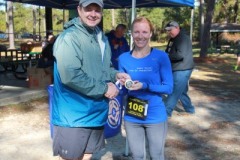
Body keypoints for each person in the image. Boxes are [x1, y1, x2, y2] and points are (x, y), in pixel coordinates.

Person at [52, 0, 130, 160]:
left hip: (96, 111)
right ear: (79, 10)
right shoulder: (69, 38)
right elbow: (70, 76)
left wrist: (115, 74)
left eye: (97, 10)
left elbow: (104, 68)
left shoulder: (100, 37)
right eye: (89, 9)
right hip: (74, 115)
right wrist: (104, 89)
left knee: (88, 154)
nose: (93, 14)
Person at [118, 17, 173, 160]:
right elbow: (122, 89)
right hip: (132, 115)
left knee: (157, 155)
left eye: (144, 32)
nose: (140, 36)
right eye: (136, 32)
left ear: (150, 34)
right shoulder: (123, 58)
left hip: (155, 116)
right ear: (131, 34)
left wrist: (145, 85)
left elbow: (168, 88)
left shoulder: (161, 56)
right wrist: (121, 84)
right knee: (137, 156)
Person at [164, 21, 195, 117]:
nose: (169, 32)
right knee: (181, 91)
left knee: (174, 90)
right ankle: (190, 109)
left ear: (177, 28)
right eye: (168, 31)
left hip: (182, 69)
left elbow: (180, 55)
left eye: (171, 30)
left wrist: (167, 56)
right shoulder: (173, 39)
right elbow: (169, 50)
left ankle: (166, 112)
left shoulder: (183, 39)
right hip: (178, 68)